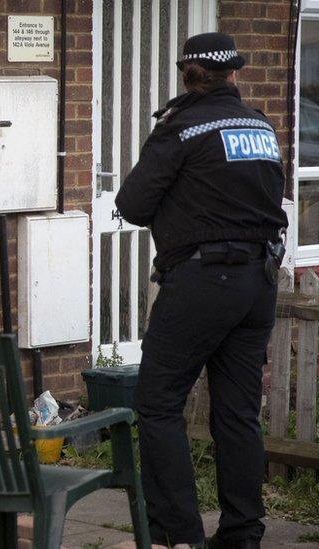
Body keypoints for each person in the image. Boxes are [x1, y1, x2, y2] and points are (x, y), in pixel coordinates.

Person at [116, 32, 288, 549]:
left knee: (159, 403)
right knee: (236, 412)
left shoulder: (183, 127)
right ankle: (242, 534)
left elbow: (133, 203)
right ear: (232, 74)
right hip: (258, 282)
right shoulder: (259, 124)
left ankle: (177, 535)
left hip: (202, 280)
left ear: (187, 75)